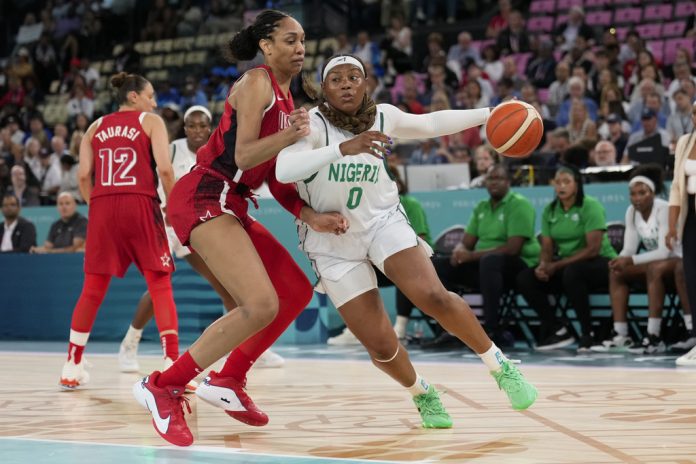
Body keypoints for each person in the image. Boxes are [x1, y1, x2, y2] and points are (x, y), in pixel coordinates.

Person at [275, 53, 537, 426]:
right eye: (336, 79)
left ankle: (500, 365)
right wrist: (344, 148)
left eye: (353, 77)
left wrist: (491, 113)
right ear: (324, 89)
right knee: (381, 345)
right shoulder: (311, 124)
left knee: (433, 295)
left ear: (366, 84)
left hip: (382, 220)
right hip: (332, 240)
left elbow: (431, 123)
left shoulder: (383, 115)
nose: (346, 84)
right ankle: (422, 392)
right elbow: (284, 170)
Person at [132, 10, 348, 446]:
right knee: (260, 303)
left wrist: (309, 215)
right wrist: (291, 135)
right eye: (290, 40)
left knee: (294, 291)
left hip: (233, 202)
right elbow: (246, 155)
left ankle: (229, 379)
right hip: (204, 194)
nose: (300, 48)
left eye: (303, 40)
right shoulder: (257, 83)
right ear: (266, 46)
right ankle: (164, 385)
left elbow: (275, 177)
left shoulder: (286, 99)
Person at [118, 105, 284, 374]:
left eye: (202, 125)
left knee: (227, 285)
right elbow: (149, 179)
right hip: (164, 225)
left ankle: (248, 347)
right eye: (192, 126)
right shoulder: (171, 150)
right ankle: (129, 343)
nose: (197, 130)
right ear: (185, 129)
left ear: (210, 128)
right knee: (160, 287)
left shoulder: (217, 152)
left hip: (195, 224)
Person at [59, 72, 181, 389]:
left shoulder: (94, 127)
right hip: (140, 203)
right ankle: (172, 362)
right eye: (150, 96)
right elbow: (165, 169)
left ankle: (72, 364)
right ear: (133, 96)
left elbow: (83, 176)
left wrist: (98, 207)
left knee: (92, 288)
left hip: (102, 205)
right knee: (160, 284)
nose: (154, 102)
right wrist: (174, 206)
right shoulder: (150, 121)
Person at [427, 165, 540, 348]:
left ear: (508, 182)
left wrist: (471, 255)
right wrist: (459, 250)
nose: (494, 182)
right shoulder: (482, 207)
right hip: (485, 266)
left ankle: (492, 330)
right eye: (490, 178)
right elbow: (467, 242)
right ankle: (449, 329)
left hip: (517, 266)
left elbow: (513, 248)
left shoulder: (519, 204)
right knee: (440, 265)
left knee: (490, 261)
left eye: (498, 178)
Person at [516, 166, 617, 352]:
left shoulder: (590, 206)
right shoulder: (550, 210)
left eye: (566, 182)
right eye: (557, 182)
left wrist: (556, 265)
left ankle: (587, 333)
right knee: (526, 278)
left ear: (576, 185)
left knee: (572, 273)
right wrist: (543, 265)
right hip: (567, 265)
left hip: (602, 263)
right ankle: (557, 328)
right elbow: (547, 247)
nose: (561, 186)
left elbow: (593, 249)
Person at [592, 166, 688, 354]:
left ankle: (654, 336)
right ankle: (620, 334)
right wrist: (619, 260)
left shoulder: (664, 209)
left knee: (653, 268)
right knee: (617, 272)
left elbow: (664, 252)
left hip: (678, 260)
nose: (636, 198)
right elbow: (629, 248)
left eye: (642, 193)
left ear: (652, 193)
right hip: (656, 266)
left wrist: (630, 260)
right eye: (633, 194)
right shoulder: (631, 212)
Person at [667, 102, 696, 366]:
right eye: (694, 112)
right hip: (691, 217)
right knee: (691, 278)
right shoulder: (685, 142)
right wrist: (672, 225)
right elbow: (677, 186)